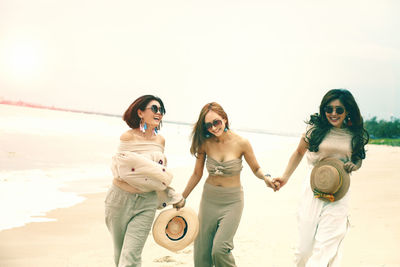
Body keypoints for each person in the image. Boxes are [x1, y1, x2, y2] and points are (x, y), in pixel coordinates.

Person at [273, 89, 369, 266]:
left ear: (347, 111)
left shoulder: (353, 135)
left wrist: (355, 165)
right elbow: (299, 152)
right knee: (304, 250)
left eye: (339, 110)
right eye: (329, 109)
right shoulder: (315, 130)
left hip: (340, 192)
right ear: (323, 110)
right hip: (313, 189)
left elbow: (357, 158)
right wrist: (285, 177)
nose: (333, 113)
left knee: (325, 247)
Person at [174, 102, 277, 267]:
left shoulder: (242, 143)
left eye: (216, 122)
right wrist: (182, 197)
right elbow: (197, 174)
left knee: (220, 249)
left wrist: (266, 178)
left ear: (225, 119)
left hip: (232, 202)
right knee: (202, 254)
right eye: (208, 125)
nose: (214, 128)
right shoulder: (205, 143)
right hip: (209, 200)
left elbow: (256, 168)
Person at [105, 95, 184, 267]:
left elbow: (156, 175)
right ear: (140, 112)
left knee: (131, 256)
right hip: (119, 200)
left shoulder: (160, 141)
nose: (159, 113)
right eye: (154, 109)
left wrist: (171, 194)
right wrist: (149, 172)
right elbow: (120, 170)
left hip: (146, 203)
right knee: (120, 255)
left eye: (162, 110)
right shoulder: (127, 137)